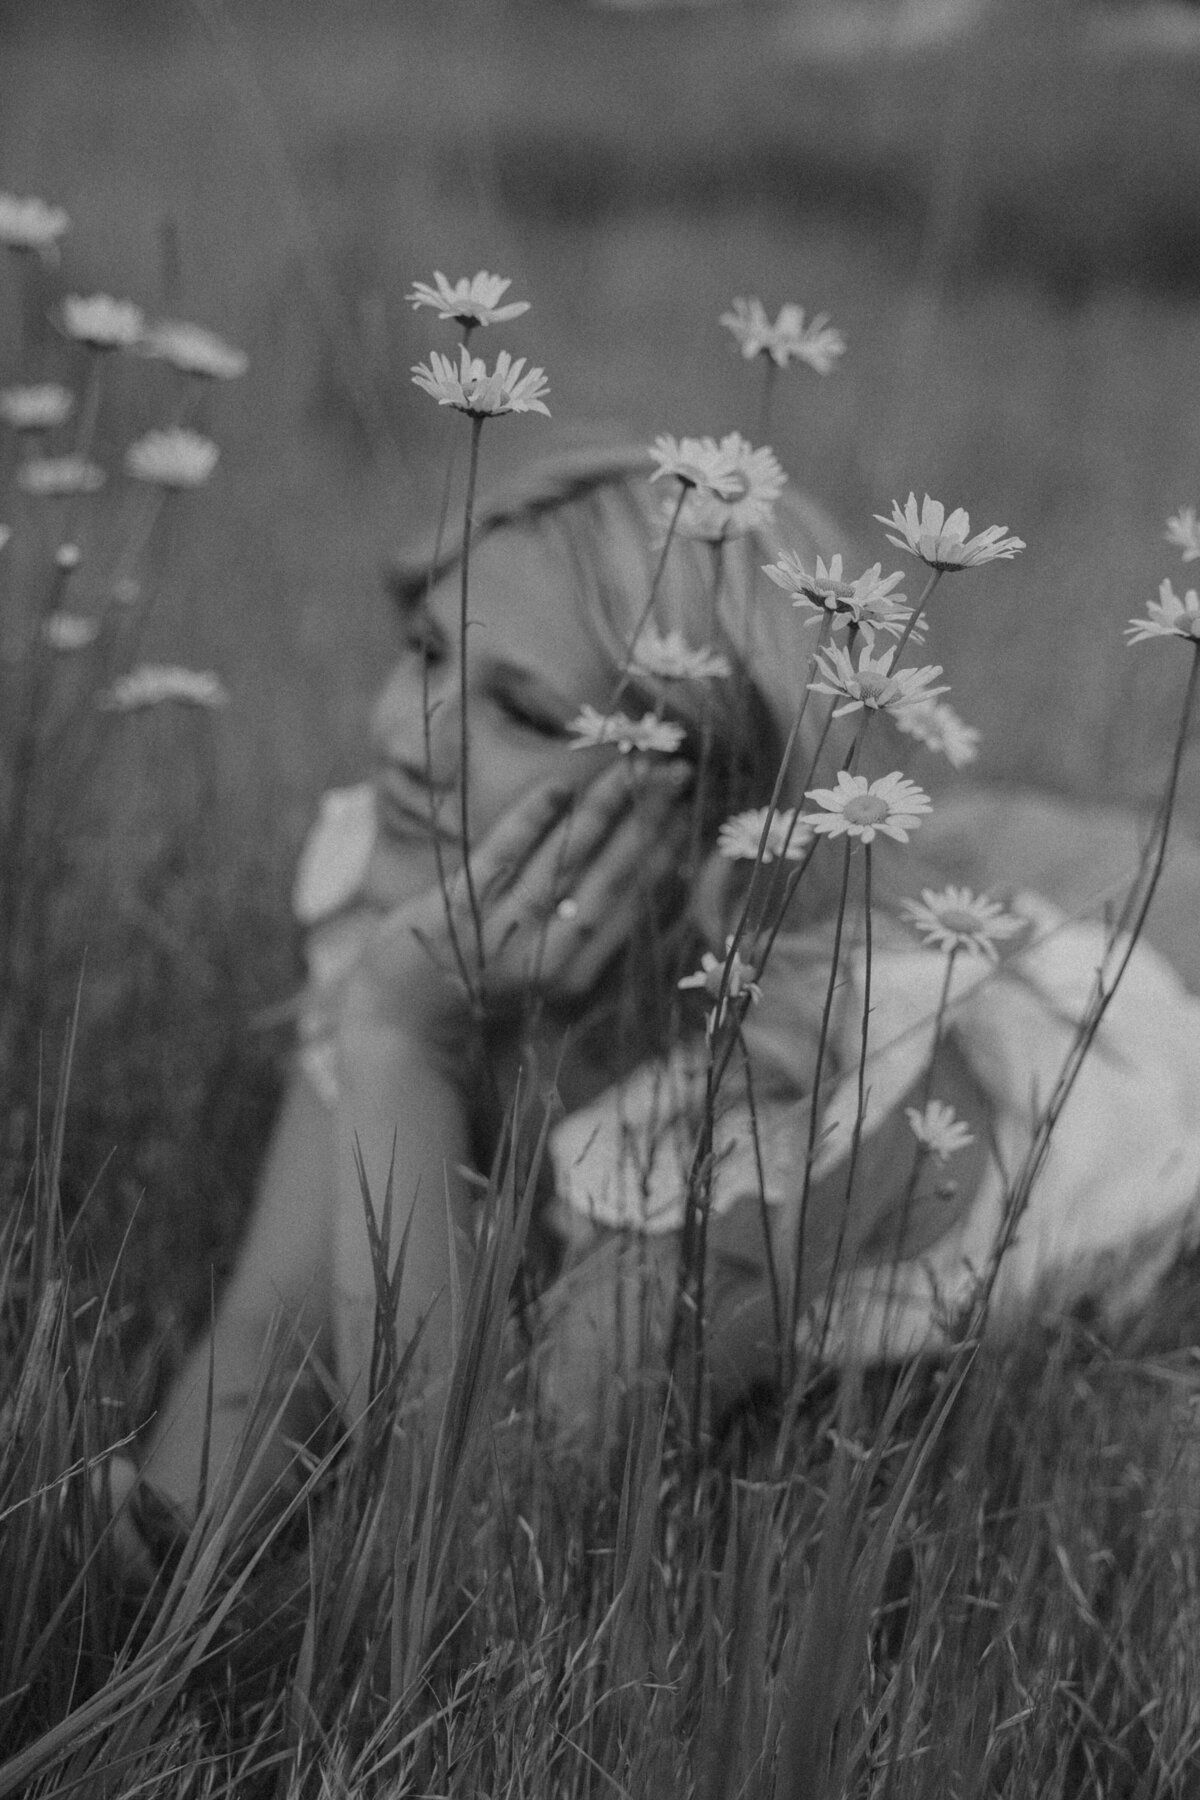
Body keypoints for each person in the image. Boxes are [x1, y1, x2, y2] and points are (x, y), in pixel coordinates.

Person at [117, 436, 1200, 1553]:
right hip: (942, 884)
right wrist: (151, 1554)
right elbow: (272, 1323)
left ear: (700, 806)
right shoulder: (416, 897)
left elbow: (481, 1524)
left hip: (1142, 1022)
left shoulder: (784, 1099)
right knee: (993, 846)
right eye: (427, 652)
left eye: (523, 714)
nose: (406, 739)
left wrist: (407, 1047)